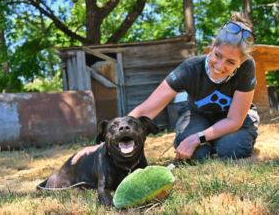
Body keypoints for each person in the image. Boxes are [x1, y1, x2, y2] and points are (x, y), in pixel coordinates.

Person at [71, 12, 259, 165]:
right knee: (196, 157)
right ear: (212, 46)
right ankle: (208, 140)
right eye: (218, 55)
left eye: (231, 61)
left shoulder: (247, 67)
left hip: (232, 117)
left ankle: (221, 141)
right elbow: (147, 109)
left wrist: (196, 138)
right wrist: (105, 143)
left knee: (230, 150)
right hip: (198, 114)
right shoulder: (190, 68)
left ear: (241, 61)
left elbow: (234, 120)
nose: (220, 66)